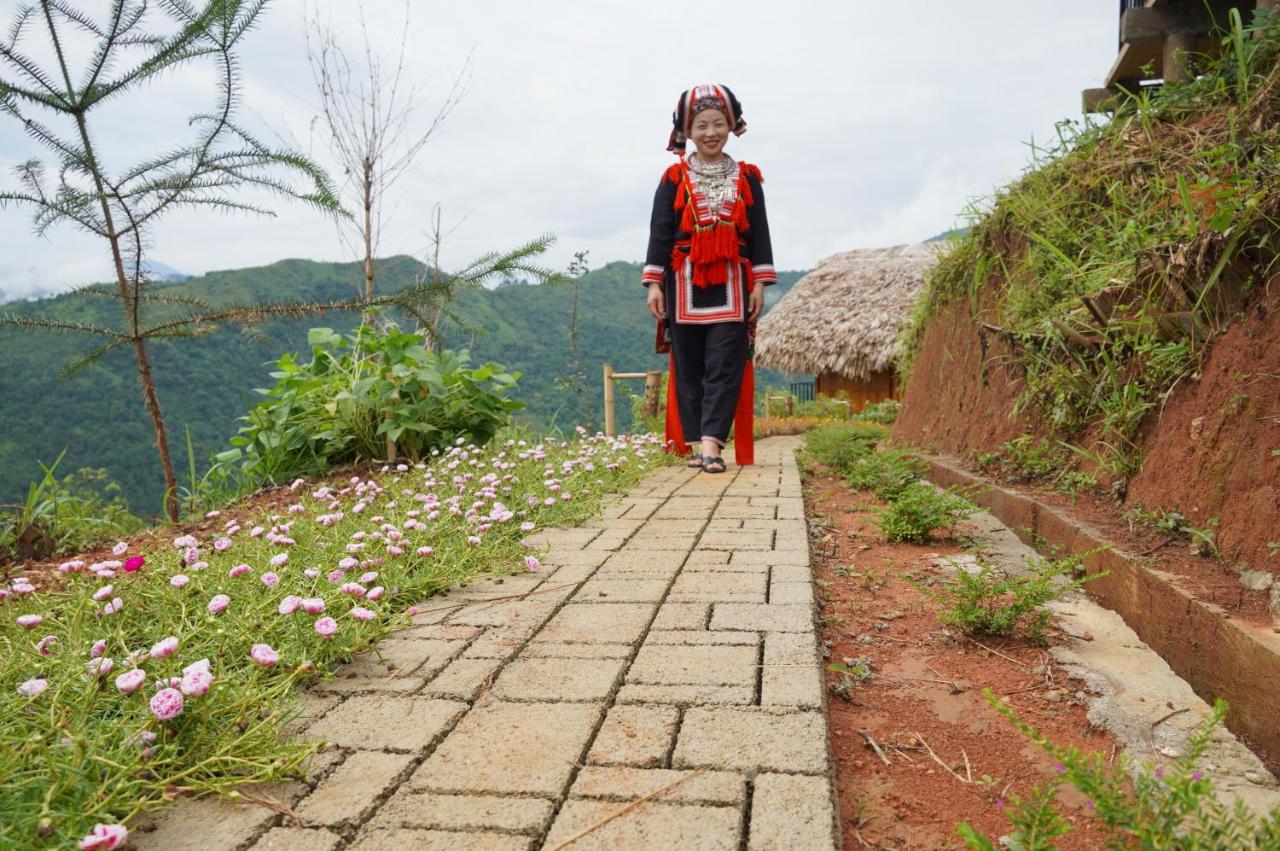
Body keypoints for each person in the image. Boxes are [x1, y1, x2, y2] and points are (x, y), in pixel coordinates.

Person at [643, 83, 776, 473]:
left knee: (725, 363)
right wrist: (654, 283)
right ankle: (696, 440)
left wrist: (759, 284)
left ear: (732, 126)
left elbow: (760, 234)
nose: (711, 132)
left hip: (734, 282)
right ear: (687, 131)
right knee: (690, 366)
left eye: (719, 123)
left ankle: (712, 445)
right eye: (701, 125)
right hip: (682, 283)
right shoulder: (673, 178)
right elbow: (660, 232)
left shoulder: (748, 178)